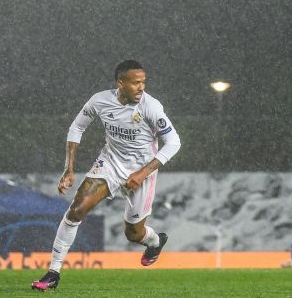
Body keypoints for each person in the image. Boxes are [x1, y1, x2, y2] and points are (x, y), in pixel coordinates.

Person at [32, 60, 182, 291]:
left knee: (133, 233)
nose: (141, 87)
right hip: (109, 164)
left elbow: (174, 142)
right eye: (135, 83)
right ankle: (53, 273)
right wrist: (69, 169)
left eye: (143, 82)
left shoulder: (151, 107)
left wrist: (142, 174)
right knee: (76, 210)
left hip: (142, 171)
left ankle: (155, 241)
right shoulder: (100, 101)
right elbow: (76, 128)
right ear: (120, 83)